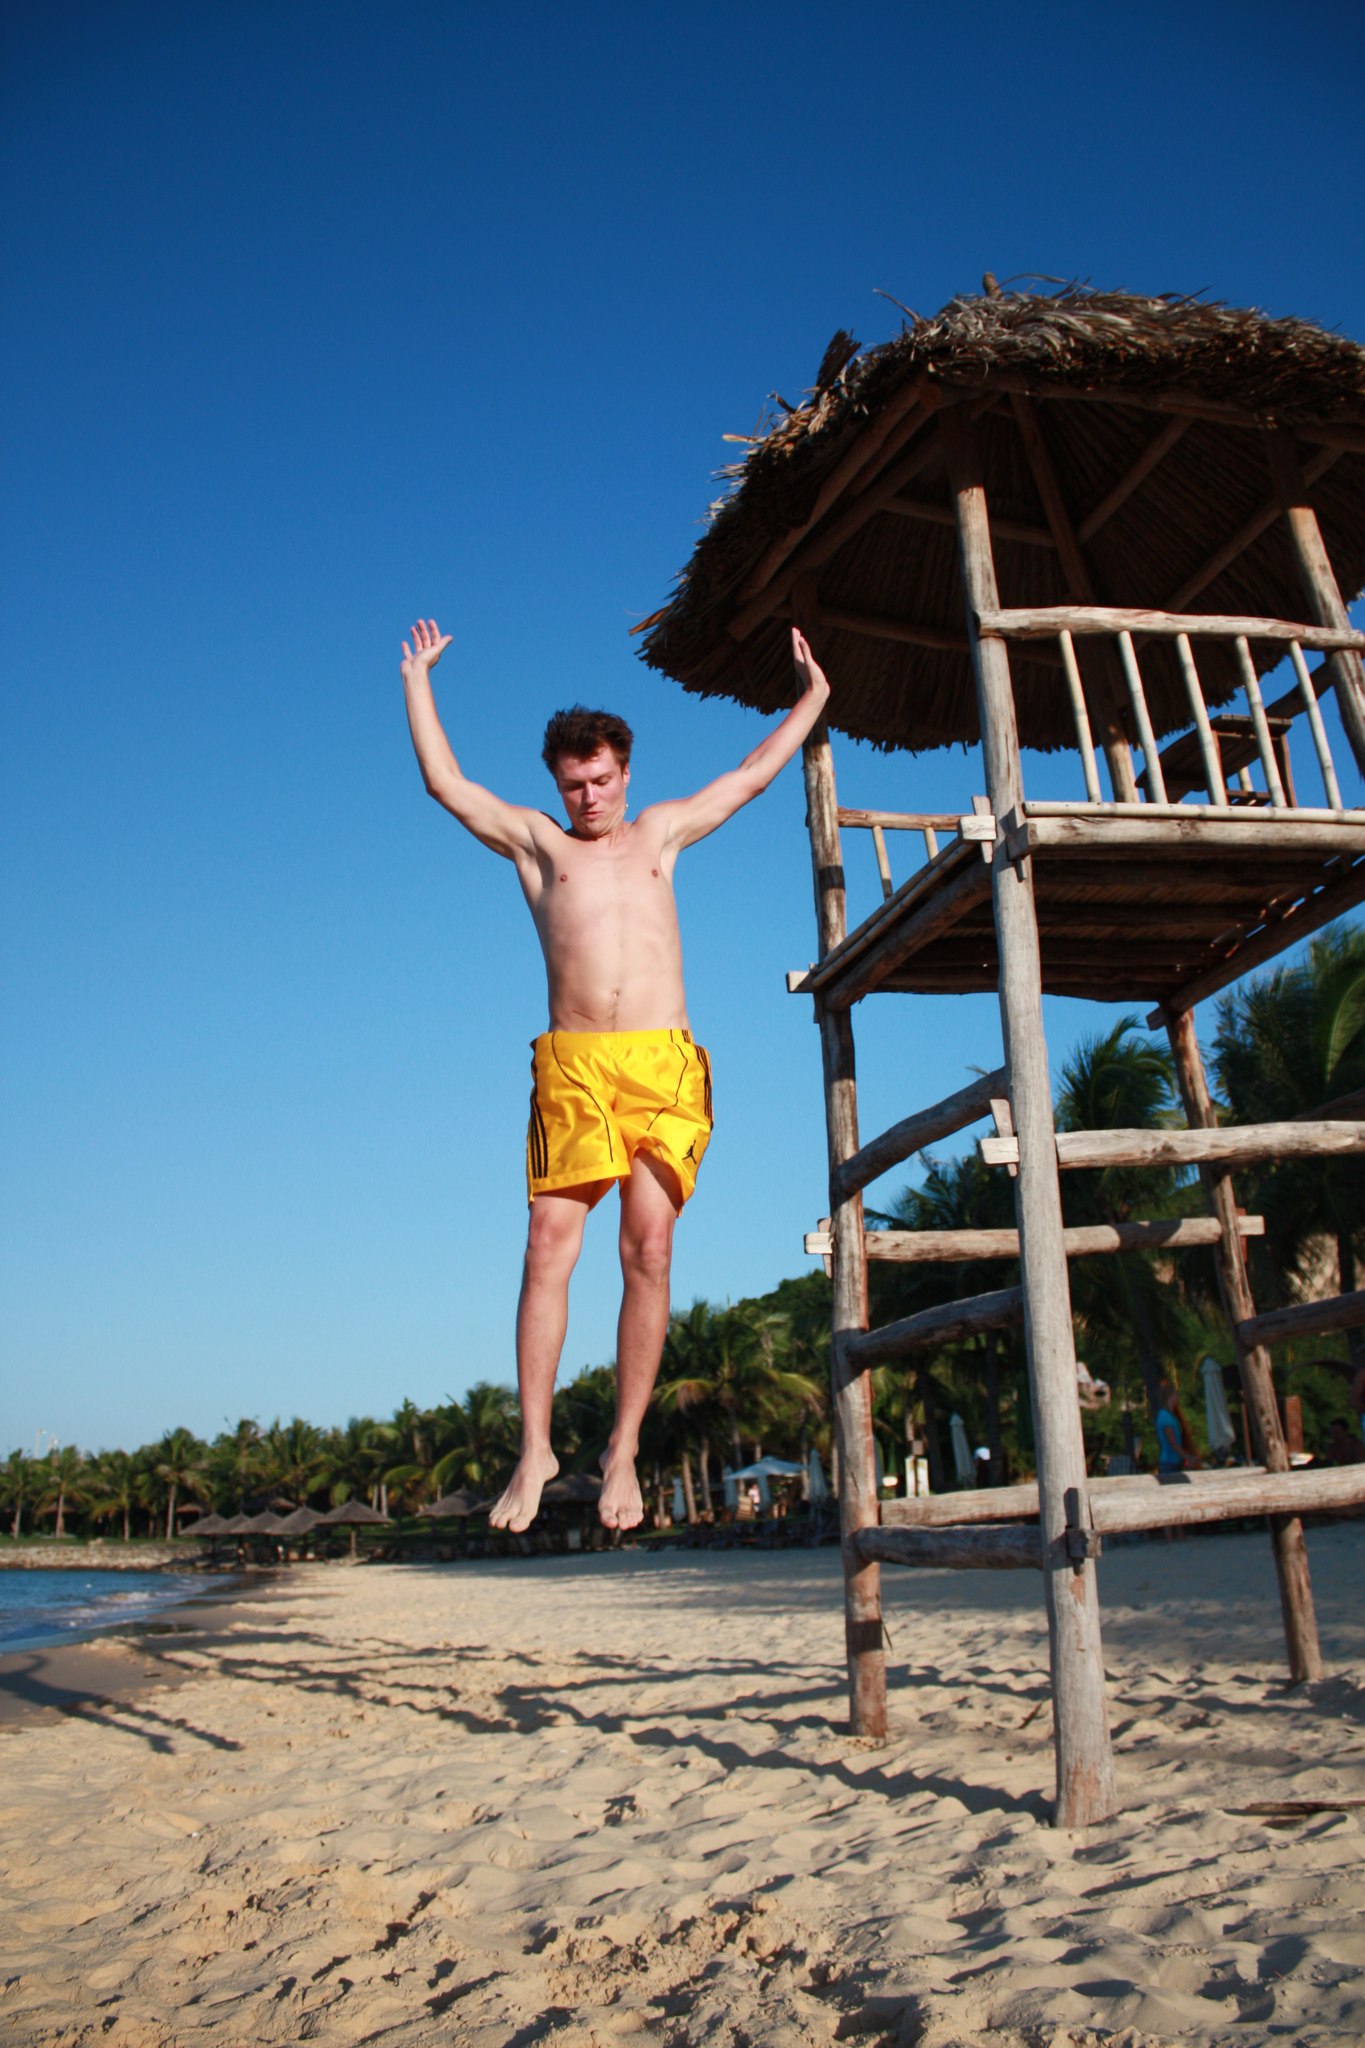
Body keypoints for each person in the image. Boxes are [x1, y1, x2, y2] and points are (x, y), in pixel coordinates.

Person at [399, 617, 832, 1533]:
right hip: (574, 1069)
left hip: (663, 1065)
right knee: (547, 1246)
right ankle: (535, 1447)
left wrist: (813, 699)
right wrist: (417, 681)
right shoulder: (539, 846)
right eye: (573, 784)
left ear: (624, 773)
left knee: (649, 1248)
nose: (589, 797)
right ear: (555, 785)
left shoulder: (660, 834)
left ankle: (623, 1447)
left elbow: (751, 774)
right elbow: (445, 784)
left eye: (599, 780)